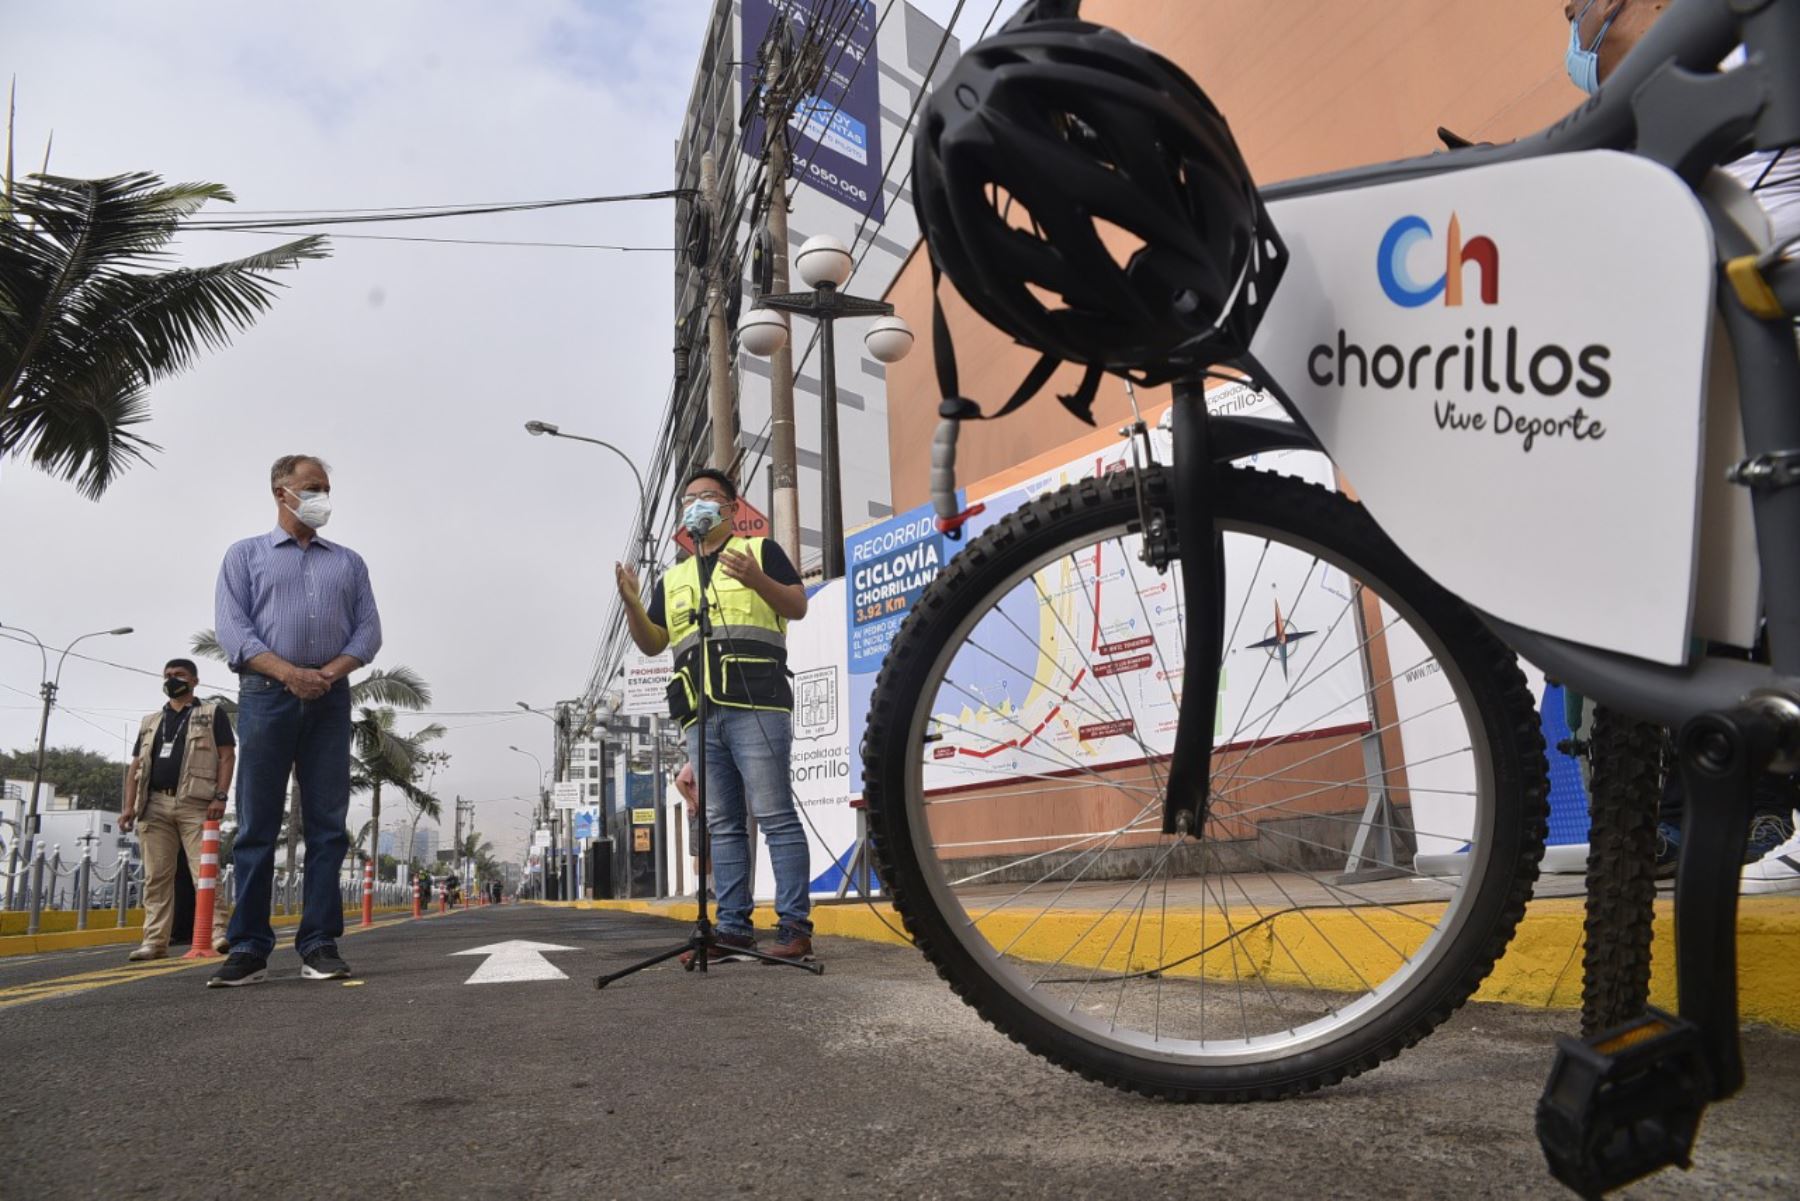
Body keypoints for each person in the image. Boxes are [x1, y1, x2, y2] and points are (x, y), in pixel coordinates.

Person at [1561, 0, 1800, 892]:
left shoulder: (1739, 66)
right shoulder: (1663, 111)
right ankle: (1683, 815)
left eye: (1583, 14)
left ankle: (1746, 806)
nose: (1575, 39)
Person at [616, 467, 814, 963]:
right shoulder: (675, 576)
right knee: (722, 823)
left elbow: (797, 606)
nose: (696, 506)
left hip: (757, 705)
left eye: (706, 497)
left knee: (774, 816)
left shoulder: (760, 551)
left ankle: (793, 926)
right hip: (699, 714)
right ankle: (732, 929)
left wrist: (757, 579)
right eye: (689, 500)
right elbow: (654, 641)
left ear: (730, 508)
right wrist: (633, 606)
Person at [209, 454, 382, 987]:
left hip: (329, 698)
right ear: (281, 491)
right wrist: (288, 673)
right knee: (257, 824)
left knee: (328, 825)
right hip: (265, 696)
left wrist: (324, 674)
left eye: (326, 487)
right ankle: (248, 947)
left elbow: (368, 634)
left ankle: (319, 943)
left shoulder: (348, 563)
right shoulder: (244, 556)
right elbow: (234, 632)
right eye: (312, 487)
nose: (321, 497)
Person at [119, 659, 235, 960]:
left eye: (179, 675)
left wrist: (220, 797)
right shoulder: (151, 721)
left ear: (194, 680)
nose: (173, 680)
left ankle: (218, 933)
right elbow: (135, 767)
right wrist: (128, 807)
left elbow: (226, 756)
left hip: (195, 805)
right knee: (157, 876)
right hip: (153, 806)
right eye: (168, 676)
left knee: (204, 874)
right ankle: (155, 942)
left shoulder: (210, 714)